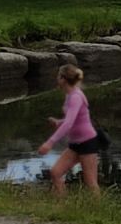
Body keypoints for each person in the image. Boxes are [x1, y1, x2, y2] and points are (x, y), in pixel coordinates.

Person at [38, 64, 105, 197]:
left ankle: (98, 211)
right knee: (56, 173)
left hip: (88, 143)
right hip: (75, 144)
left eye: (58, 76)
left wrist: (50, 143)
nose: (57, 79)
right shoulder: (70, 95)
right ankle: (63, 205)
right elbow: (73, 119)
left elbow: (69, 124)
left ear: (63, 79)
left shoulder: (76, 96)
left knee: (90, 182)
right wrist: (59, 122)